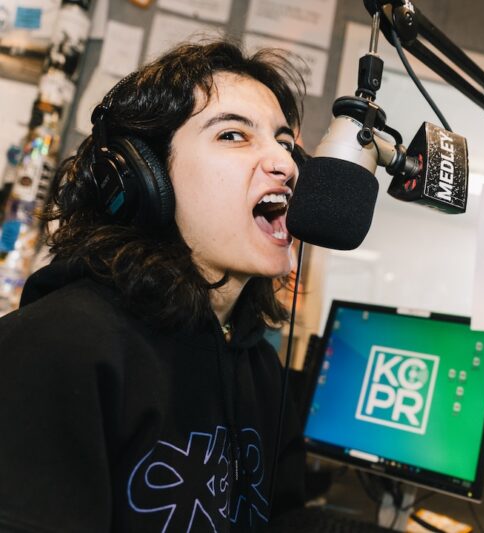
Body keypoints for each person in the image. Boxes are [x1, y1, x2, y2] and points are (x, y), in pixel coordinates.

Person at [0, 40, 307, 531]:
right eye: (233, 135)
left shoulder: (262, 368)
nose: (286, 166)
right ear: (146, 179)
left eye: (285, 144)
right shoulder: (55, 346)